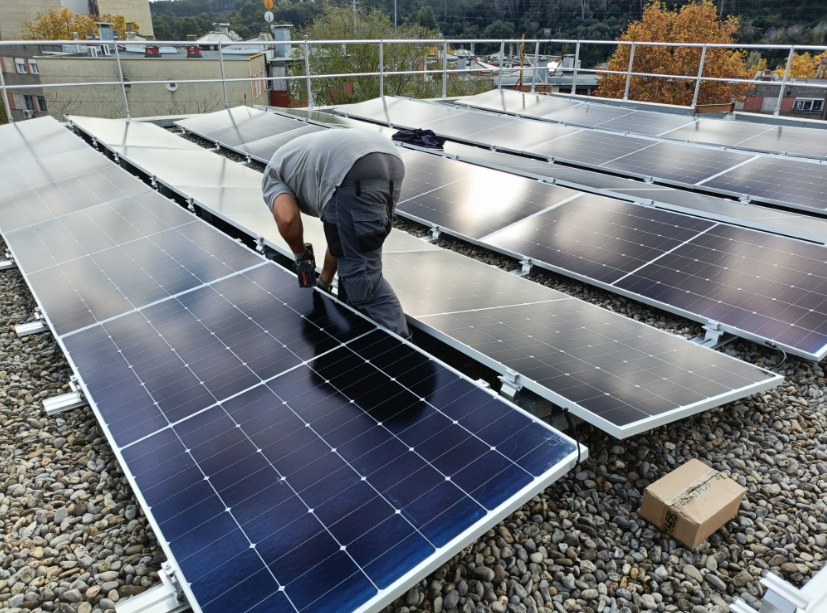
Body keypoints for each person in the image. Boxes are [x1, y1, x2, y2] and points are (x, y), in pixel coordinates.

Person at [262, 128, 412, 340]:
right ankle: (363, 338)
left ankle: (402, 351)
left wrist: (301, 256)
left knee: (362, 277)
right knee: (355, 261)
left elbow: (287, 220)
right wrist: (324, 282)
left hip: (350, 170)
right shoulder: (297, 162)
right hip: (390, 160)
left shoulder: (272, 176)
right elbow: (340, 240)